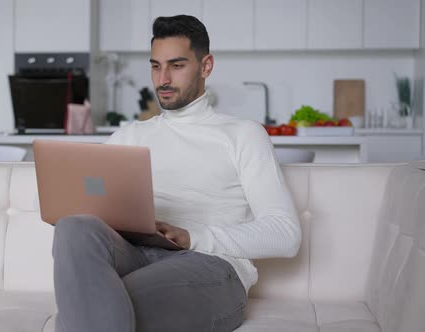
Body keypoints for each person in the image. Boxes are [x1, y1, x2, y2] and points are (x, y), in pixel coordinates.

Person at [51, 15, 301, 332]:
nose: (163, 78)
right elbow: (68, 196)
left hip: (210, 265)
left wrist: (192, 236)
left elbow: (285, 234)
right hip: (135, 253)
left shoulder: (242, 134)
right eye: (155, 66)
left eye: (177, 65)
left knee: (99, 304)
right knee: (75, 227)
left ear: (206, 66)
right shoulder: (131, 135)